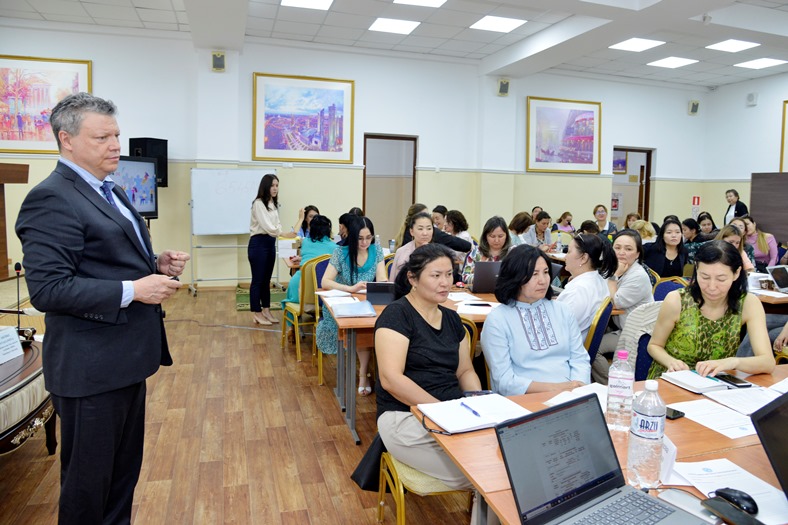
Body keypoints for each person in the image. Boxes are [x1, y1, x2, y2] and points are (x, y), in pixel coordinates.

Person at [15, 92, 190, 524]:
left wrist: (154, 264)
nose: (115, 146)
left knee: (120, 482)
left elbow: (103, 260)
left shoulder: (111, 189)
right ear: (66, 139)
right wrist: (134, 289)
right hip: (90, 370)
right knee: (88, 490)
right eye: (102, 138)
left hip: (125, 361)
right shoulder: (51, 198)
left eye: (116, 135)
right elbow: (49, 289)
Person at [375, 244, 495, 524]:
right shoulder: (396, 315)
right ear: (412, 279)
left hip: (451, 414)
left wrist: (476, 402)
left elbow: (465, 370)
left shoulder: (452, 319)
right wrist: (441, 411)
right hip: (404, 416)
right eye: (436, 275)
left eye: (449, 274)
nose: (445, 282)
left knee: (497, 463)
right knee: (486, 475)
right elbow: (391, 380)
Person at [647, 241, 774, 378]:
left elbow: (767, 362)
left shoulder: (748, 303)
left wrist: (733, 362)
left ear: (736, 273)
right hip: (672, 377)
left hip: (715, 380)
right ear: (696, 269)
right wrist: (671, 362)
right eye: (705, 277)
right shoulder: (677, 300)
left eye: (721, 279)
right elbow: (654, 345)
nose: (712, 287)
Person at [481, 245, 590, 395]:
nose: (543, 281)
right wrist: (557, 388)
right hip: (525, 398)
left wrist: (578, 387)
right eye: (534, 274)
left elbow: (580, 359)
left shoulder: (563, 310)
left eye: (546, 272)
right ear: (515, 277)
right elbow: (504, 380)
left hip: (570, 395)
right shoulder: (497, 320)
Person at [317, 216, 387, 396]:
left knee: (370, 327)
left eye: (369, 238)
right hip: (342, 302)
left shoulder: (376, 250)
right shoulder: (341, 253)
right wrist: (349, 288)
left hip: (366, 302)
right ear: (352, 236)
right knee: (359, 329)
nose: (365, 243)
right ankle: (363, 373)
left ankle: (364, 372)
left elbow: (382, 279)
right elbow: (325, 281)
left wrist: (380, 287)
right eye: (360, 238)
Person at [248, 173, 300, 326]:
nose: (275, 188)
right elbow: (268, 226)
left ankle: (266, 310)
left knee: (266, 280)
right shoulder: (258, 203)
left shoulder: (272, 203)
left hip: (270, 243)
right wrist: (283, 234)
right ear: (266, 186)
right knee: (258, 280)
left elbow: (277, 225)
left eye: (277, 185)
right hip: (258, 243)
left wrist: (281, 232)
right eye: (272, 185)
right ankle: (256, 312)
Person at [557, 234, 618, 342]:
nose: (565, 257)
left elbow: (557, 329)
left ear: (583, 258)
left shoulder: (578, 291)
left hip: (564, 347)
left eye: (569, 252)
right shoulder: (598, 280)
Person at [284, 215, 337, 305]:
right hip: (324, 290)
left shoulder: (305, 242)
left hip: (300, 286)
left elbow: (312, 256)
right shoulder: (336, 248)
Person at [462, 216, 511, 286]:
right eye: (492, 236)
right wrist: (477, 278)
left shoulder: (513, 253)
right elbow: (465, 276)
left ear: (507, 236)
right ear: (485, 236)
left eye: (500, 236)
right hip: (481, 289)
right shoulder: (476, 253)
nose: (496, 240)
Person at [390, 211, 433, 281]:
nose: (425, 233)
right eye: (420, 229)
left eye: (429, 228)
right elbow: (393, 281)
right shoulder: (401, 252)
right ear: (411, 231)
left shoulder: (438, 253)